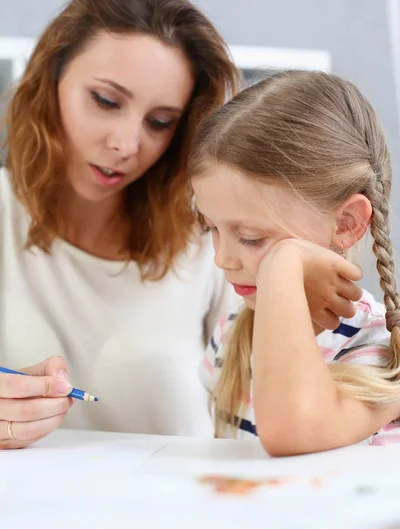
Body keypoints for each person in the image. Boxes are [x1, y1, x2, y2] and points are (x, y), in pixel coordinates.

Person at [0, 0, 244, 449]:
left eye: (160, 122)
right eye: (106, 101)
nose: (127, 144)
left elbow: (263, 416)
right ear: (49, 82)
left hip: (176, 511)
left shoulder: (214, 236)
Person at [188, 69, 400, 456]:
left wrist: (281, 264)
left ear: (347, 223)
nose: (222, 258)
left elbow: (291, 431)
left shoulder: (383, 354)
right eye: (210, 228)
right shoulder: (232, 331)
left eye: (252, 238)